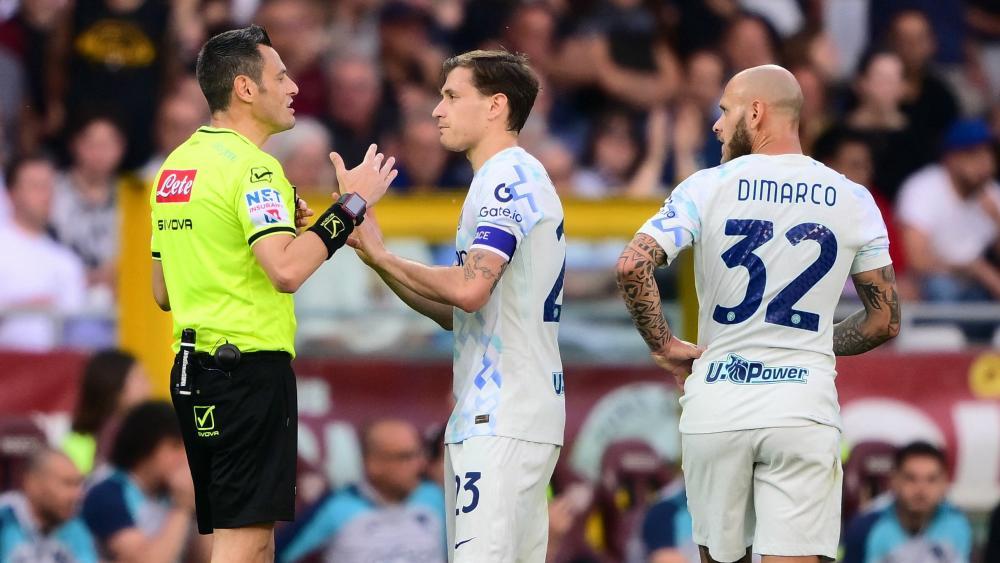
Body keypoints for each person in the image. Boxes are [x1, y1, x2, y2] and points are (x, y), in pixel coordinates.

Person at [617, 64, 900, 563]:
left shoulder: (704, 187)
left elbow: (632, 265)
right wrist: (806, 343)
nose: (717, 125)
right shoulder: (855, 199)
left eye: (723, 111)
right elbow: (884, 321)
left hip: (718, 405)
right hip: (801, 408)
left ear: (756, 111)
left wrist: (663, 344)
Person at [150, 25, 396, 562]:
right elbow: (285, 271)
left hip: (194, 369)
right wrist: (351, 206)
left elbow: (163, 290)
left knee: (254, 541)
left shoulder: (175, 167)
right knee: (243, 544)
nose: (294, 88)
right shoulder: (256, 167)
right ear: (244, 88)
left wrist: (290, 227)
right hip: (245, 372)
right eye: (281, 76)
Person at [349, 50, 566, 562]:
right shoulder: (514, 176)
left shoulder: (504, 179)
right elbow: (461, 312)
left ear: (495, 106)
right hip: (522, 409)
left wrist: (384, 254)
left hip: (500, 415)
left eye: (451, 96)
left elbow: (469, 289)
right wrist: (378, 261)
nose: (436, 111)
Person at [275, 419, 446, 562]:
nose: (419, 464)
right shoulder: (335, 507)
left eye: (419, 454)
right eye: (405, 457)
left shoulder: (436, 497)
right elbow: (274, 554)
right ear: (373, 464)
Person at [80, 401, 200, 563]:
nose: (184, 457)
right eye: (175, 446)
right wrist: (183, 507)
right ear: (146, 445)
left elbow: (210, 556)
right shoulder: (107, 492)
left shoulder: (167, 492)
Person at [896, 118, 1000, 301]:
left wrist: (997, 220)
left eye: (987, 154)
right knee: (942, 287)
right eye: (972, 154)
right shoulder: (924, 187)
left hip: (976, 286)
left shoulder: (992, 194)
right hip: (930, 283)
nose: (984, 162)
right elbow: (917, 260)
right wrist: (973, 269)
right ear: (950, 158)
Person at [0, 154, 86, 351]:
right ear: (11, 193)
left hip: (53, 371)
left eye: (49, 186)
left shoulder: (67, 261)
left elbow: (77, 327)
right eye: (35, 186)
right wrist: (23, 308)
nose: (45, 195)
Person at [841, 442, 972, 563]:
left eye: (931, 479)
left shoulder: (959, 524)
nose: (921, 489)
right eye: (911, 478)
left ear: (944, 483)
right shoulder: (865, 527)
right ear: (894, 480)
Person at [0, 448, 98, 562]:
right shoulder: (5, 519)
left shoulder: (75, 528)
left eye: (78, 484)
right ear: (33, 483)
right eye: (68, 484)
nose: (78, 495)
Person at [63, 349, 151, 475]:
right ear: (114, 385)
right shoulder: (76, 445)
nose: (148, 386)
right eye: (139, 378)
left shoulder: (141, 433)